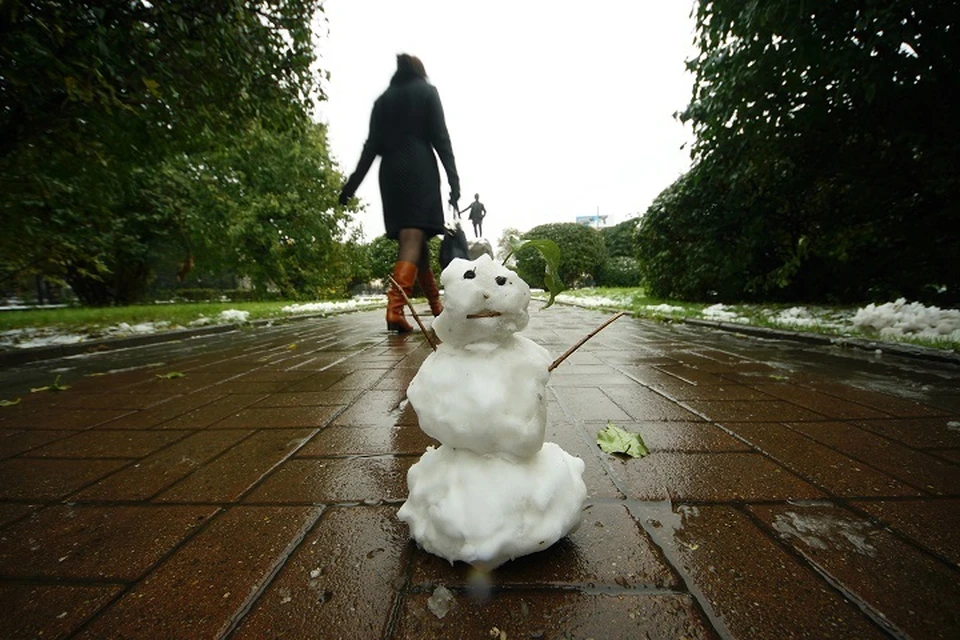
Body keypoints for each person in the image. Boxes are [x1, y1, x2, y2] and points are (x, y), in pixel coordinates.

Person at [339, 54, 460, 333]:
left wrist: (351, 186)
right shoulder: (427, 92)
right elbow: (441, 138)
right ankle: (394, 309)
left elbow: (370, 147)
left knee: (415, 242)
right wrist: (454, 182)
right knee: (413, 237)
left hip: (391, 171)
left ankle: (436, 308)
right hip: (419, 167)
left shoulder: (383, 101)